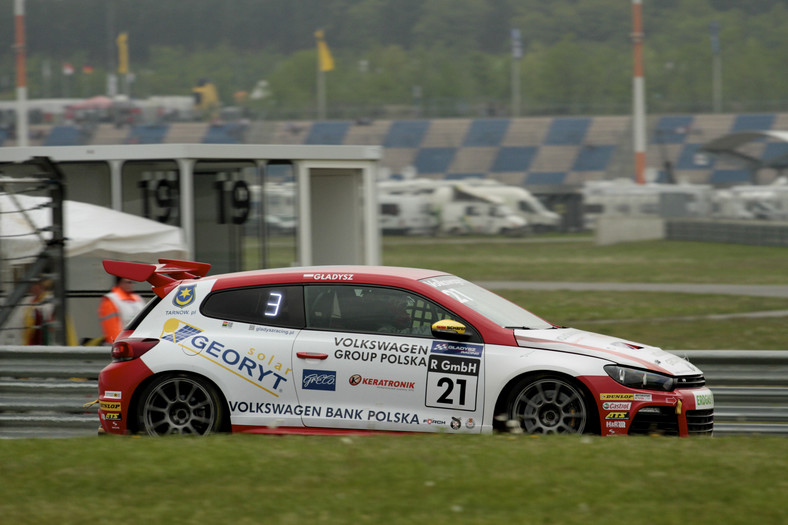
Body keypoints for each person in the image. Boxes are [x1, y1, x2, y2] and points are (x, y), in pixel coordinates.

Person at [98, 276, 145, 344]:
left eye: (132, 282)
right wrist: (118, 345)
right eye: (128, 282)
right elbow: (112, 328)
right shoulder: (110, 300)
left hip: (137, 343)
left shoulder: (138, 299)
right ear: (119, 282)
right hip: (121, 345)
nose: (131, 285)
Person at [23, 278, 54, 345]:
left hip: (43, 338)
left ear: (39, 286)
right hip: (31, 338)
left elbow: (49, 316)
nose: (30, 288)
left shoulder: (49, 299)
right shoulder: (30, 300)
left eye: (32, 285)